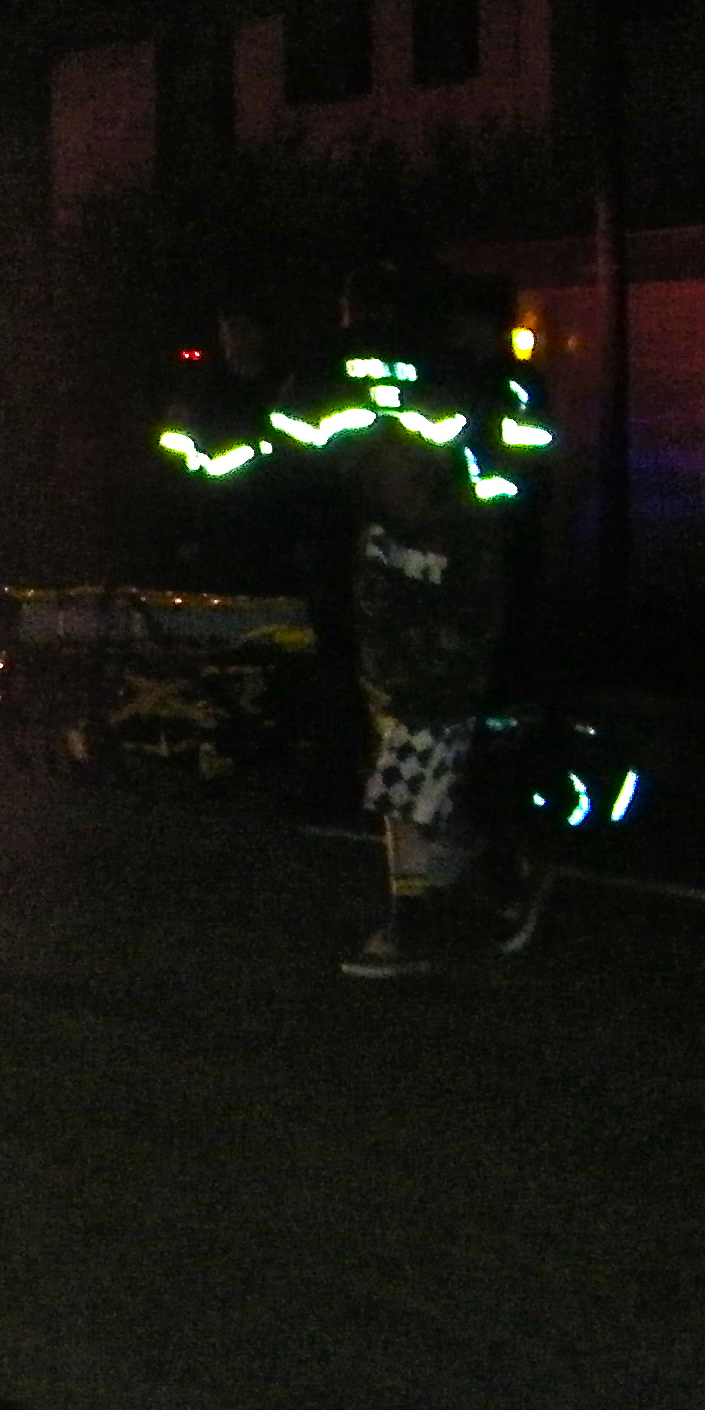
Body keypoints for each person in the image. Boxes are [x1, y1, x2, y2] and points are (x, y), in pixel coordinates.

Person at [270, 265, 549, 980]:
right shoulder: (377, 510)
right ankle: (493, 883)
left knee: (413, 782)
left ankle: (417, 920)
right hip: (399, 658)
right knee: (425, 782)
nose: (373, 466)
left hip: (434, 660)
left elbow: (485, 565)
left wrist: (440, 656)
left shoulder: (460, 496)